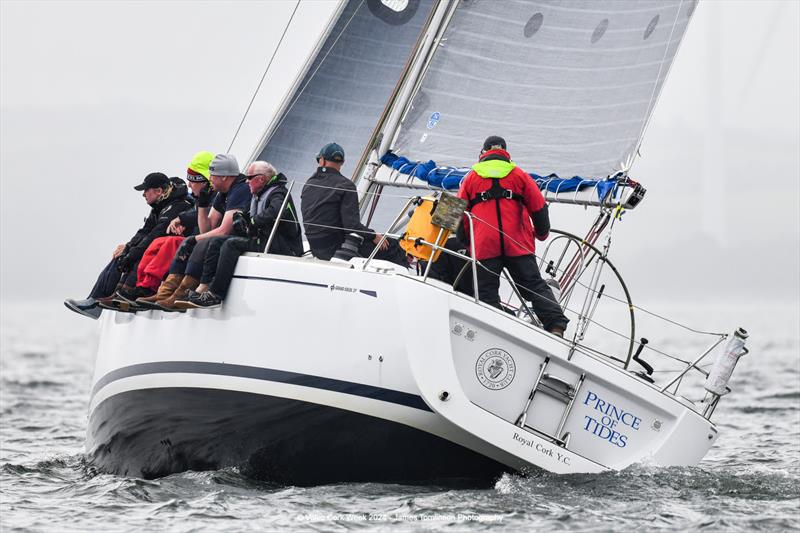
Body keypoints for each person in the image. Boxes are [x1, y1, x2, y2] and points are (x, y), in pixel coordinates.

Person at [457, 136, 568, 336]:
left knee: (486, 292)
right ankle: (556, 326)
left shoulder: (470, 178)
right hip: (518, 244)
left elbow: (458, 215)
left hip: (485, 246)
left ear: (483, 153)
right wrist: (542, 234)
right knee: (533, 286)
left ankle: (494, 330)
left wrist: (467, 242)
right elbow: (539, 207)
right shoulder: (520, 175)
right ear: (506, 153)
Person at [63, 172, 193, 319]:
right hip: (157, 248)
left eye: (146, 190)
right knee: (120, 256)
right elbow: (143, 232)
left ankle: (122, 295)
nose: (143, 195)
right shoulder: (159, 206)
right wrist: (127, 249)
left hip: (171, 252)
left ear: (159, 191)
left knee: (135, 258)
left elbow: (155, 235)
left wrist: (131, 255)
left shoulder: (178, 206)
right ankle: (95, 300)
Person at [181, 161, 302, 309]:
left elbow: (273, 211)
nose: (246, 181)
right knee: (217, 242)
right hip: (264, 241)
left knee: (230, 244)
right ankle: (203, 288)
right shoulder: (259, 193)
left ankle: (216, 295)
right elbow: (244, 212)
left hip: (284, 247)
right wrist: (240, 217)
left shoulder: (279, 193)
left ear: (261, 179)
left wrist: (251, 221)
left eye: (250, 177)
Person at [150, 153, 250, 310]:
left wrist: (194, 239)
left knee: (201, 242)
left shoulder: (241, 189)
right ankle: (168, 292)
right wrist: (202, 205)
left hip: (244, 237)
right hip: (227, 237)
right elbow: (208, 227)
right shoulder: (222, 192)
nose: (209, 179)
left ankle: (188, 291)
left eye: (212, 175)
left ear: (224, 177)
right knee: (197, 240)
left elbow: (223, 230)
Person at [132, 151, 216, 307]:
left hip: (206, 239)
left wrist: (182, 219)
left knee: (173, 243)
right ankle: (138, 288)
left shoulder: (214, 196)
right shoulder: (200, 197)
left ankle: (160, 290)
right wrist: (129, 250)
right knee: (156, 243)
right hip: (199, 236)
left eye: (192, 180)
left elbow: (209, 214)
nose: (189, 185)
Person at [301, 142, 402, 263]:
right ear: (342, 162)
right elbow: (351, 226)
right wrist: (374, 235)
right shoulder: (346, 185)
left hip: (317, 246)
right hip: (336, 247)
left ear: (322, 161)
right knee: (393, 246)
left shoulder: (309, 183)